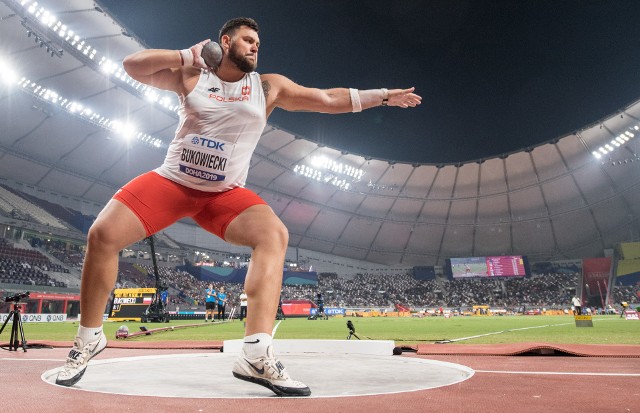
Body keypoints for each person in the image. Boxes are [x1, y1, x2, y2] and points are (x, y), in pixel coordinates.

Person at [55, 17, 421, 397]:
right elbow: (132, 66)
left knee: (274, 235)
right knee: (102, 234)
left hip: (223, 194)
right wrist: (186, 55)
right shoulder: (191, 74)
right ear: (225, 42)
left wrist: (382, 95)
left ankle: (256, 353)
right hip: (174, 183)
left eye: (258, 43)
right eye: (247, 40)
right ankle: (89, 338)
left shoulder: (267, 87)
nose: (255, 47)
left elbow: (327, 99)